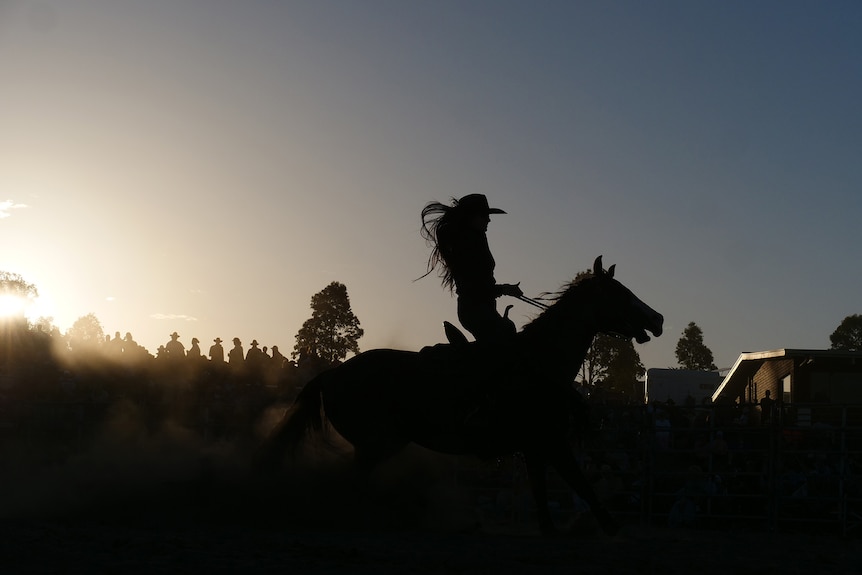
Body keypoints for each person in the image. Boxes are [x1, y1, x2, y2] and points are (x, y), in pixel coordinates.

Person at [420, 194, 523, 342]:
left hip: (481, 309)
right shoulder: (466, 243)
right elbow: (473, 287)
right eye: (484, 215)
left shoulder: (476, 238)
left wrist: (503, 289)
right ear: (471, 217)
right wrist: (504, 289)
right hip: (476, 312)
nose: (489, 219)